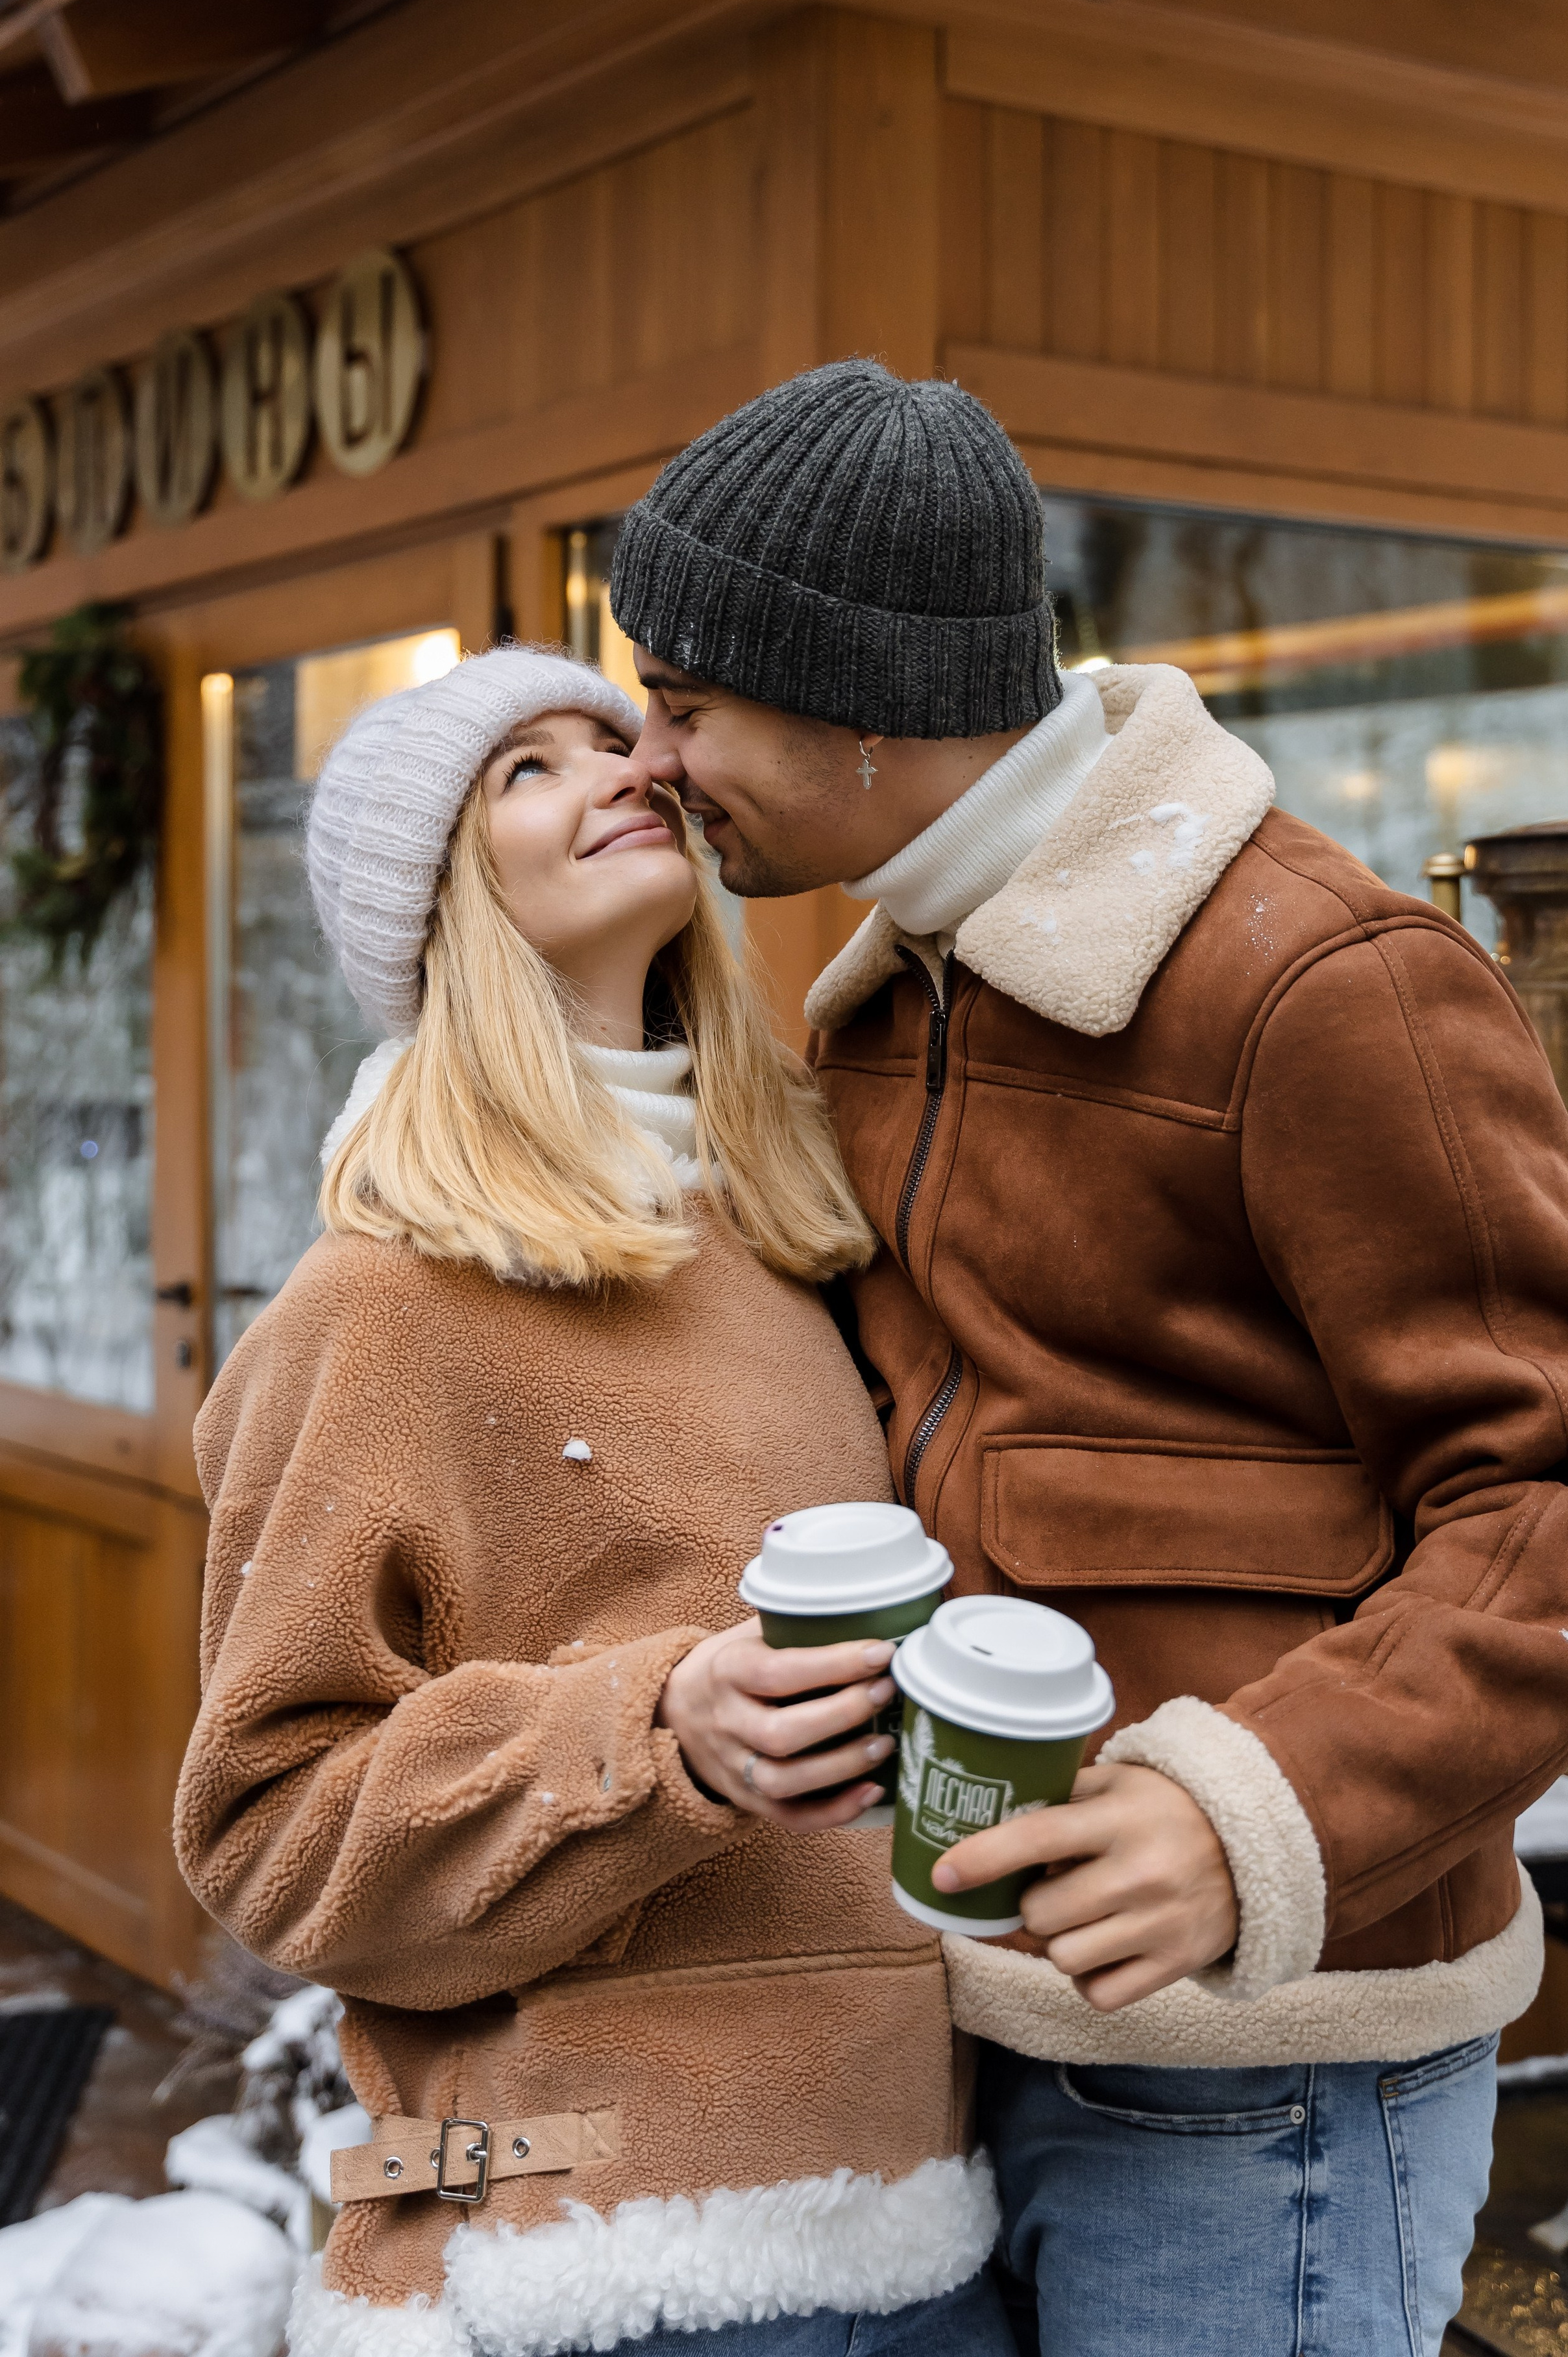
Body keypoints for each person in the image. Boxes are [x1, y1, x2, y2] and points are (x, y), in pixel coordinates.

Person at [612, 360, 1568, 2357]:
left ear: (860, 700)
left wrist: (1256, 1817)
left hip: (1269, 2064)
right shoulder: (876, 1007)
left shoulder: (1326, 983)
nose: (652, 759)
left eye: (685, 702)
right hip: (957, 2009)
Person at [173, 647, 1018, 2357]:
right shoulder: (384, 1302)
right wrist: (657, 1736)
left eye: (621, 742)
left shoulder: (790, 1234)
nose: (628, 772)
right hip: (596, 2248)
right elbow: (267, 1830)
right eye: (531, 770)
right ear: (441, 904)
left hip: (922, 2198)